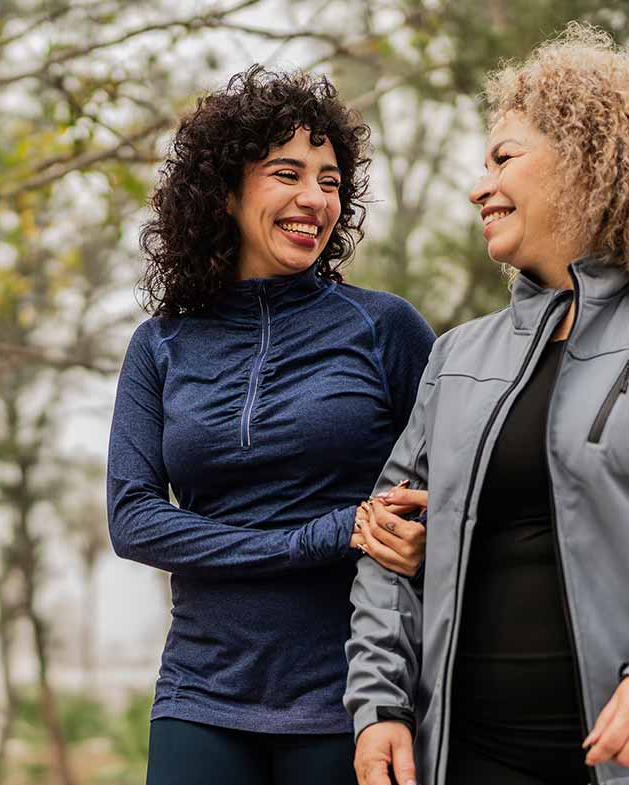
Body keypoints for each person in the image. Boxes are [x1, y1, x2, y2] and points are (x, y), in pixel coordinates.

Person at [346, 25, 629, 785]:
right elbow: (386, 546)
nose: (479, 187)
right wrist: (381, 707)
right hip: (476, 762)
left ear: (586, 160)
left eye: (503, 159)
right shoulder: (457, 358)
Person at [107, 65, 436, 785]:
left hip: (348, 698)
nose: (315, 198)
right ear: (225, 192)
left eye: (330, 181)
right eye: (288, 174)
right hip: (200, 694)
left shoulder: (385, 328)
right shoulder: (162, 344)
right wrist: (314, 536)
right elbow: (133, 520)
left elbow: (450, 493)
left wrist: (421, 540)